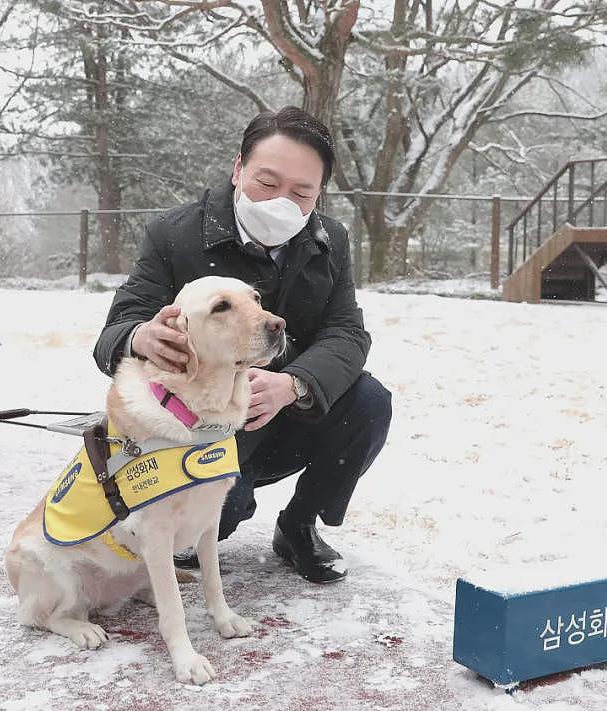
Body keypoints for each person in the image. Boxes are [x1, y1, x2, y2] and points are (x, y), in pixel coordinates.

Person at [92, 107, 392, 583]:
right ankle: (220, 499)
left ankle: (298, 524)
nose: (281, 202)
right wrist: (139, 336)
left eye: (301, 192)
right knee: (213, 520)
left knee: (370, 402)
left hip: (287, 415)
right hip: (203, 428)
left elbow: (346, 332)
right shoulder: (175, 235)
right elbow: (117, 330)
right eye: (266, 183)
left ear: (319, 194)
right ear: (238, 169)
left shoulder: (329, 240)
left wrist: (295, 383)